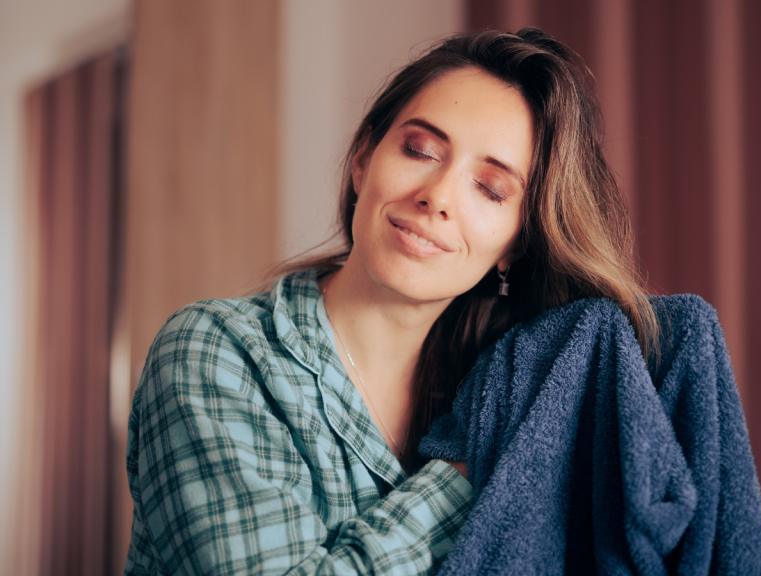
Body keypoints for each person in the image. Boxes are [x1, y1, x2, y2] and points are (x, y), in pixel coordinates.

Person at [124, 28, 659, 575]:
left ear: (516, 245)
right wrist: (470, 471)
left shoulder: (499, 383)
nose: (439, 196)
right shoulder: (215, 352)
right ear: (363, 160)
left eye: (491, 189)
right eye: (420, 150)